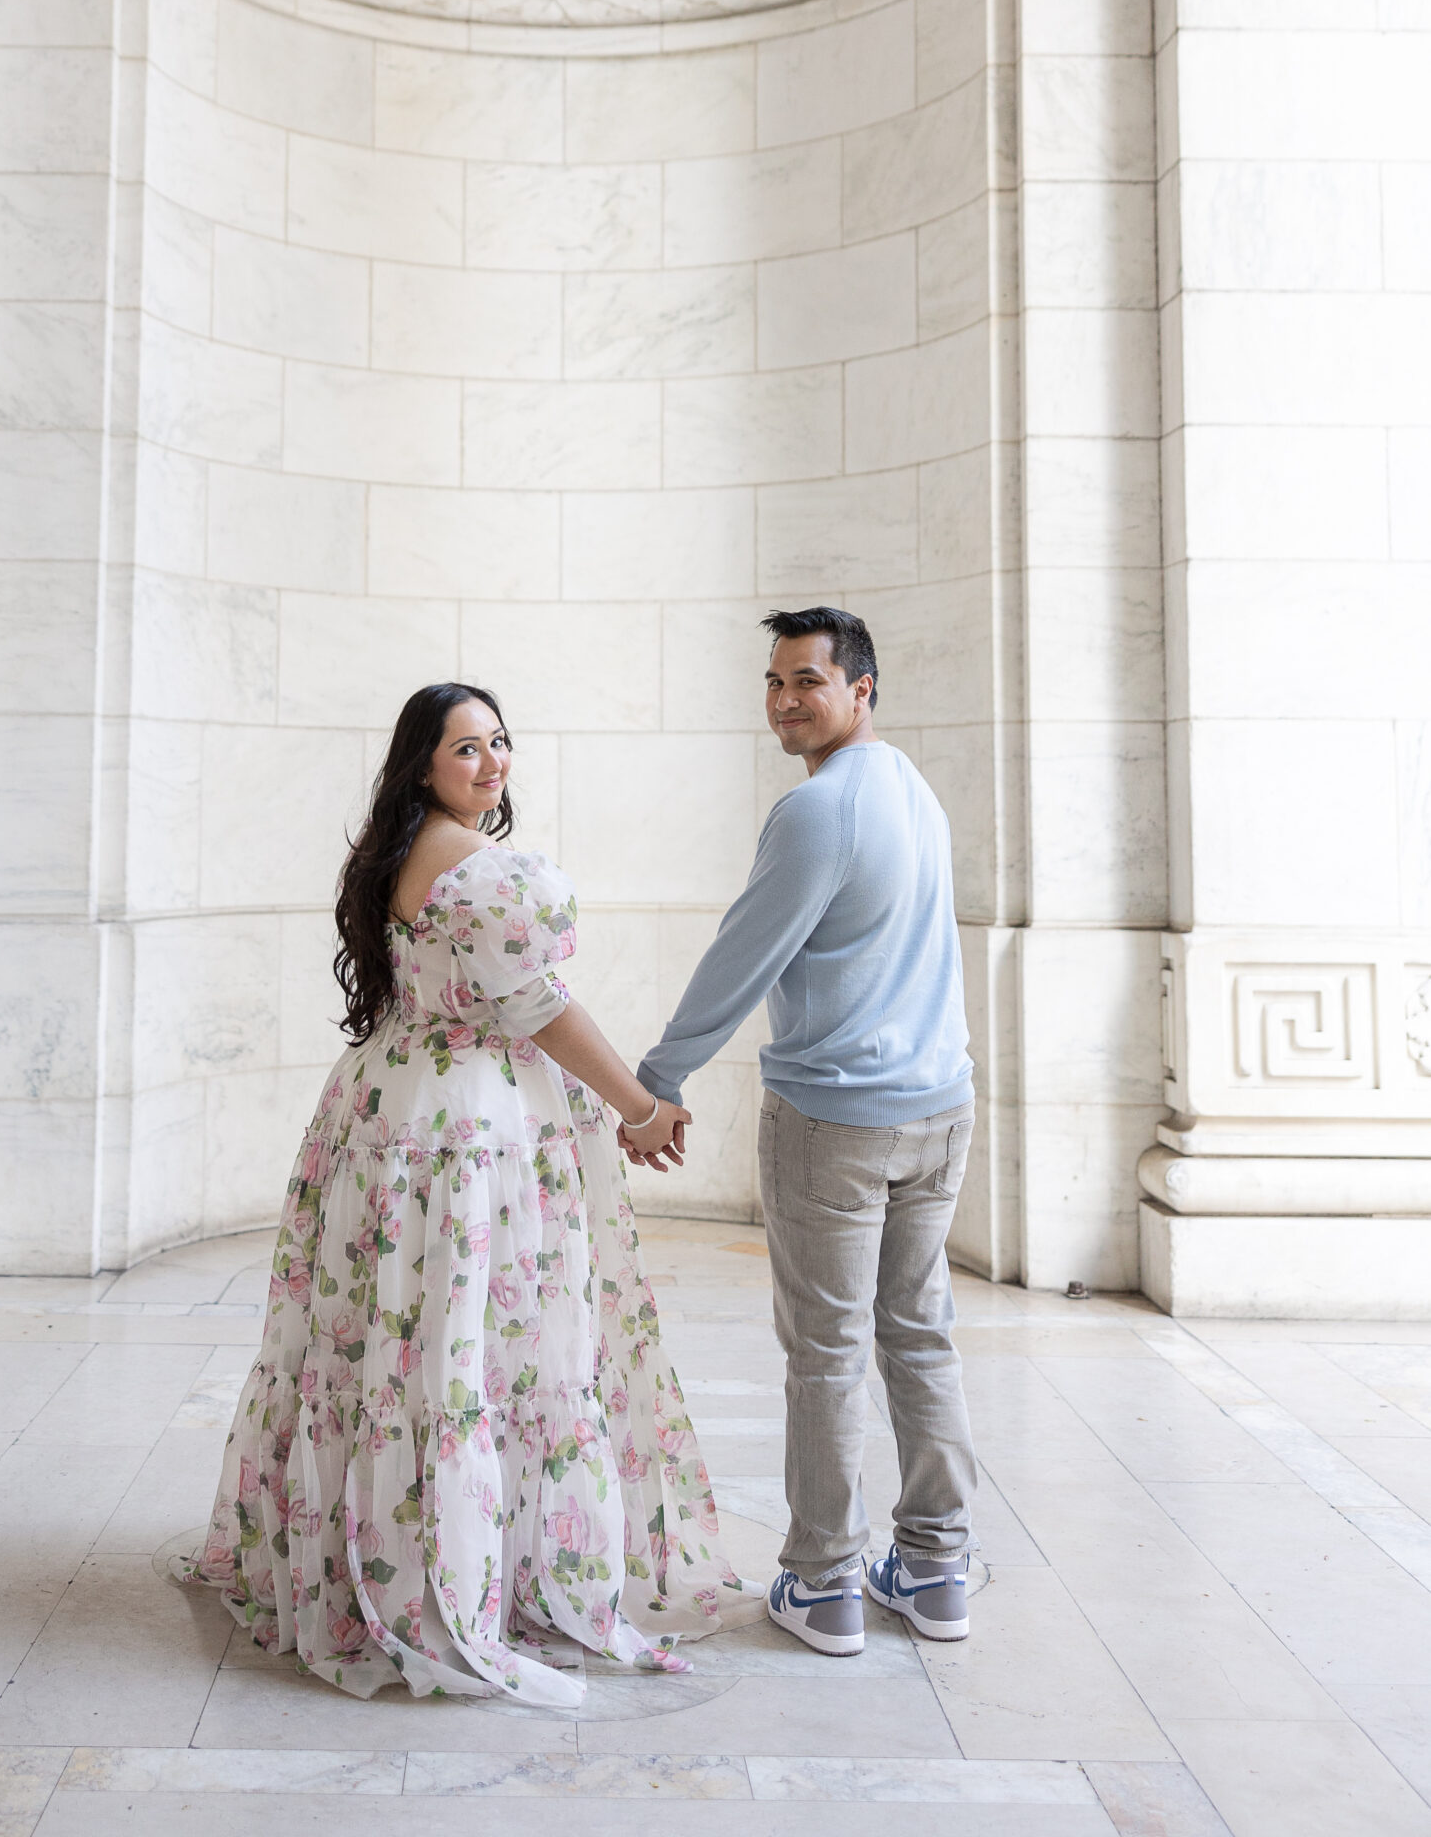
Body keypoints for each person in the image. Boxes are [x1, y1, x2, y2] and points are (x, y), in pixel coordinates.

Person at [176, 681, 755, 1704]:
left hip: (395, 1108)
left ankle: (415, 1556)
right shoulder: (473, 863)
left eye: (499, 744)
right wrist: (637, 1104)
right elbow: (536, 1003)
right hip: (461, 1130)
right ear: (423, 766)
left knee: (407, 1344)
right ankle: (455, 1582)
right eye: (466, 749)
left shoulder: (404, 853)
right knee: (466, 1349)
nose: (492, 764)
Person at [626, 606, 979, 1656]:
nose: (785, 701)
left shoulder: (819, 811)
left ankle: (824, 1584)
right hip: (939, 1106)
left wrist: (657, 1080)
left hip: (837, 1119)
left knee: (826, 1349)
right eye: (774, 682)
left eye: (808, 682)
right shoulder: (913, 789)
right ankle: (937, 1567)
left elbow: (745, 954)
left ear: (862, 689)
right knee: (918, 1334)